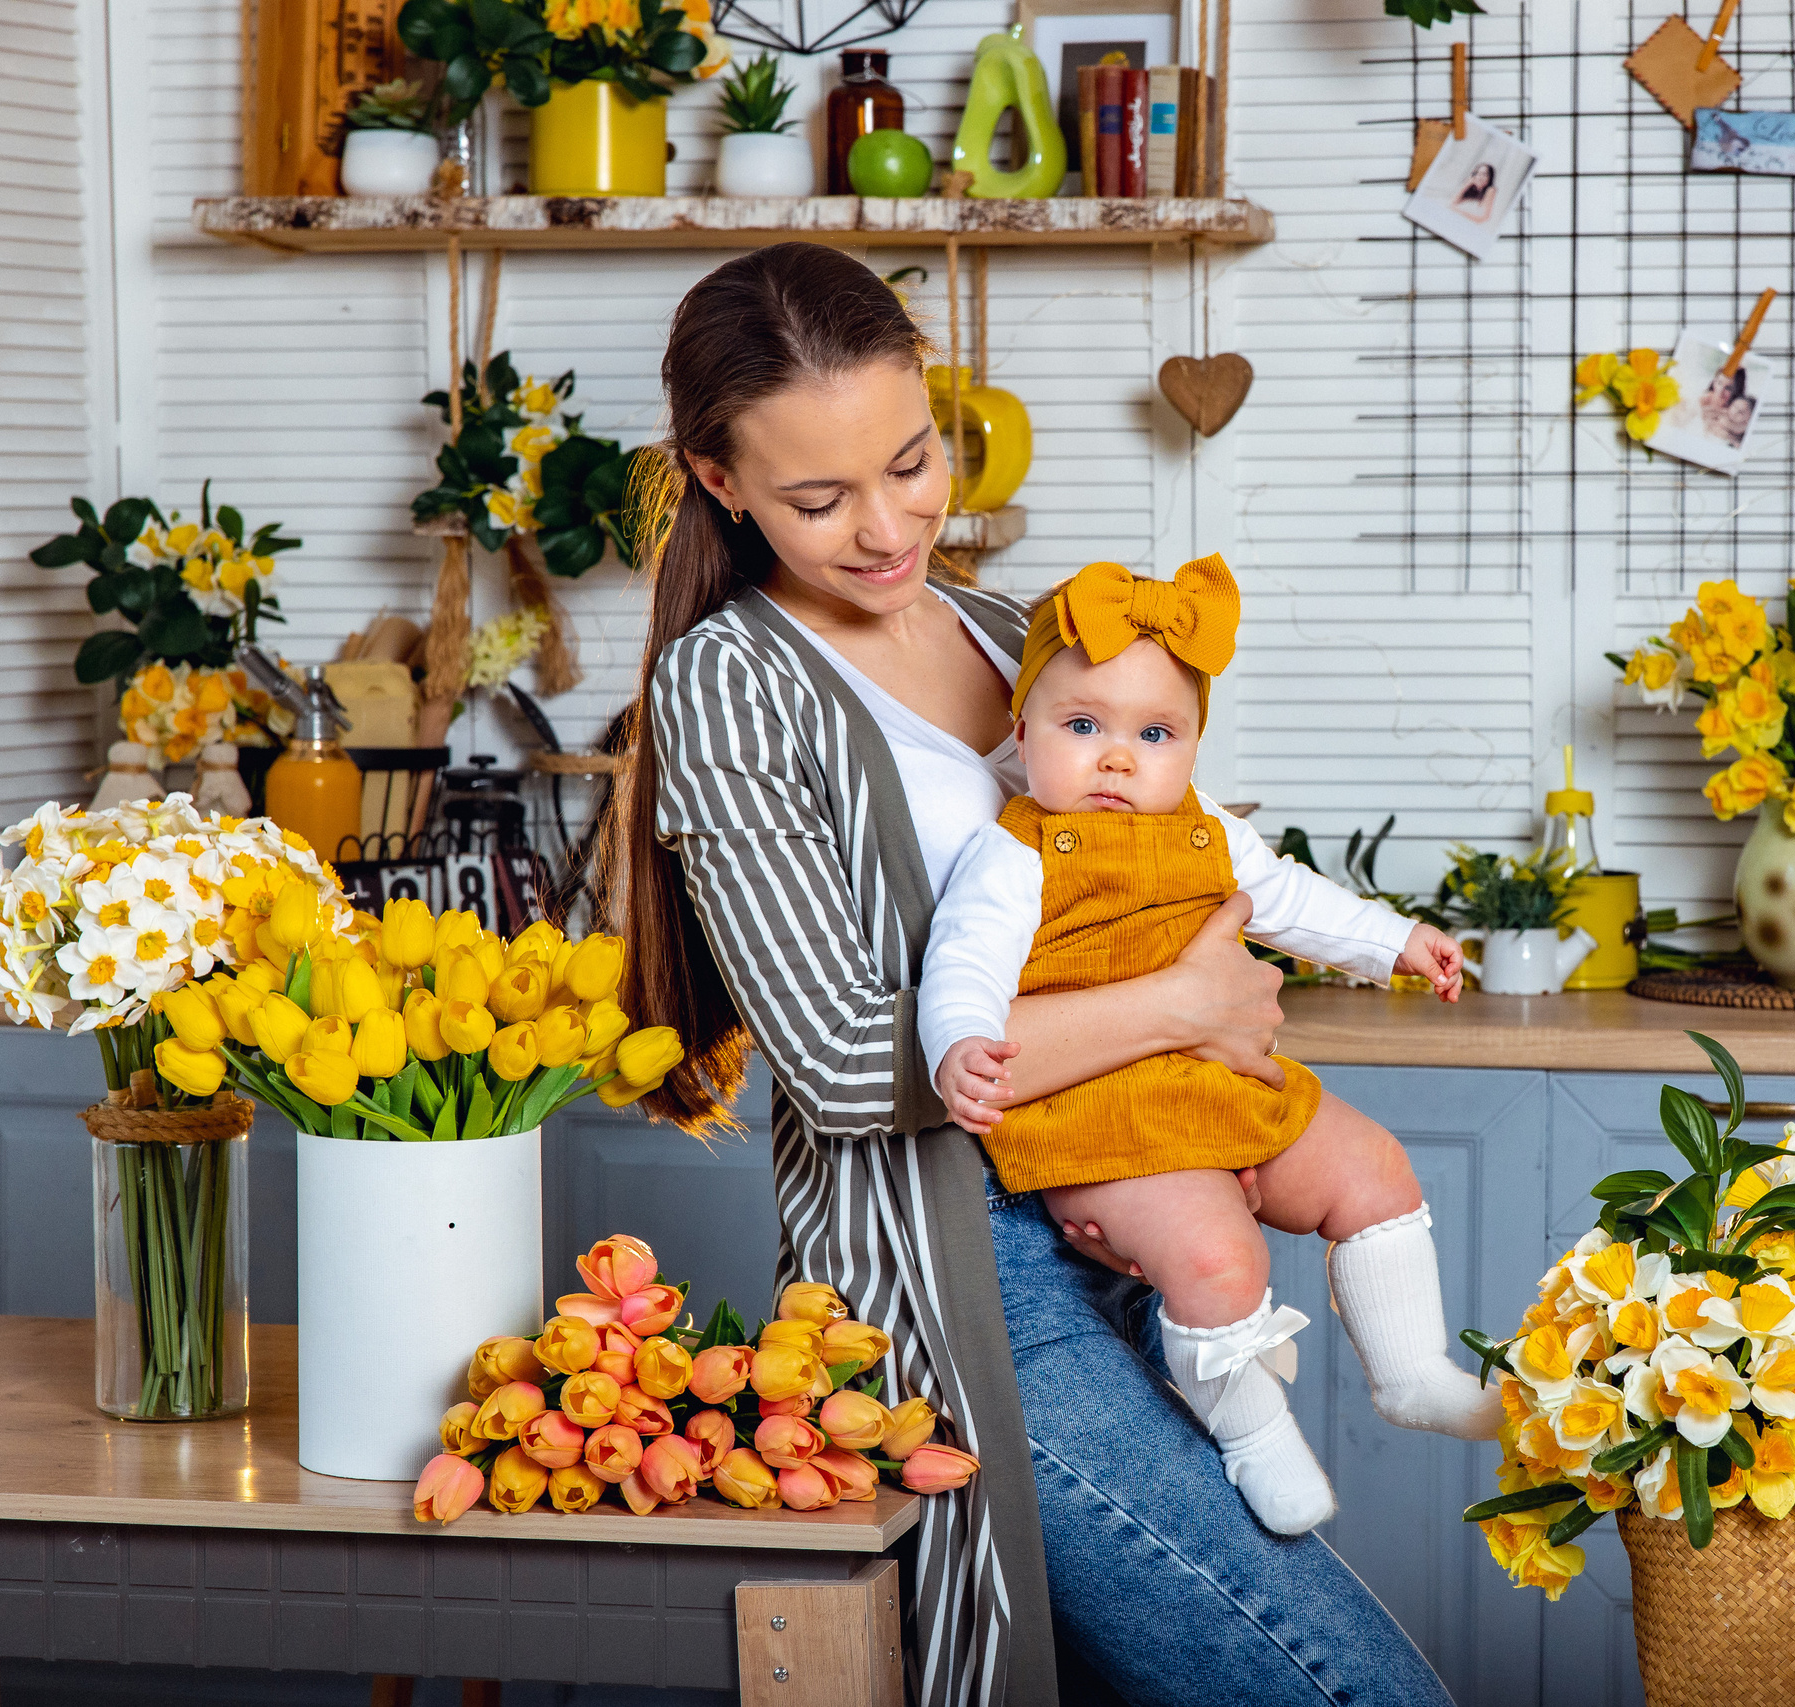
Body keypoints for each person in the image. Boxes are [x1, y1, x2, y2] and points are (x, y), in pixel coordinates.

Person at [611, 241, 1459, 1707]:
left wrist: (1268, 960)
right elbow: (839, 1060)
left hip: (1153, 1206)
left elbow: (1172, 867)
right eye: (820, 499)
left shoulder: (1021, 636)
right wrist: (1187, 1005)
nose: (888, 527)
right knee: (1341, 1684)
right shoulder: (728, 682)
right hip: (966, 1286)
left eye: (913, 460)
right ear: (720, 478)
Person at [919, 555, 1498, 1537]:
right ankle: (1255, 1436)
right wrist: (959, 1044)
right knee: (1219, 1261)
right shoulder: (1014, 851)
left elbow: (1296, 902)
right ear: (1020, 734)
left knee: (1373, 1166)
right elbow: (963, 964)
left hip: (1220, 1082)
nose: (1116, 758)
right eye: (1081, 726)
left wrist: (1395, 940)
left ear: (1191, 748)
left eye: (1154, 734)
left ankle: (1411, 1374)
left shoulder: (1209, 833)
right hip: (1103, 1115)